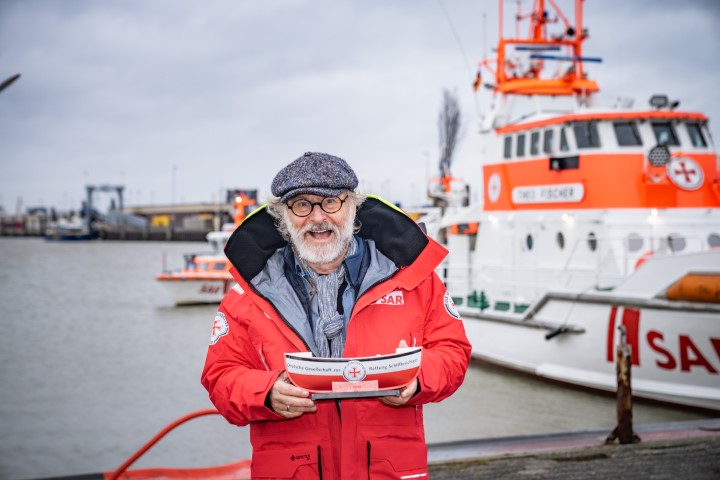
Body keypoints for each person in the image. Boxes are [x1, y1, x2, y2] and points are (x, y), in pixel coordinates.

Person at [201, 152, 471, 479]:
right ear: (283, 217)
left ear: (353, 208)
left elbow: (454, 351)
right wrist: (267, 393)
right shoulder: (249, 294)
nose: (317, 217)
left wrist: (417, 379)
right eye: (301, 205)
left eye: (331, 202)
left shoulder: (413, 278)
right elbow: (220, 376)